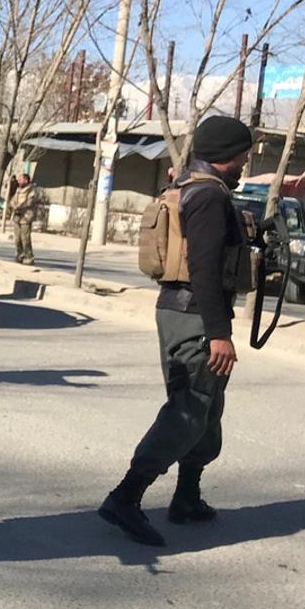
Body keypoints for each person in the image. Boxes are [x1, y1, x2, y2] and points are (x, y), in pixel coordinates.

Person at [98, 116, 256, 547]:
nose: (246, 162)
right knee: (189, 409)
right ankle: (125, 497)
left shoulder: (192, 187)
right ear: (226, 156)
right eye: (243, 154)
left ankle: (187, 496)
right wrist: (219, 333)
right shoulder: (207, 196)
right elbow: (204, 267)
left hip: (186, 312)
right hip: (195, 316)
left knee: (206, 408)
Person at [8, 173, 41, 265]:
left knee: (25, 238)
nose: (18, 181)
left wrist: (19, 206)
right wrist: (14, 205)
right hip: (17, 216)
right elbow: (12, 201)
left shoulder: (31, 190)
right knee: (17, 238)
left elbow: (29, 202)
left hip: (26, 217)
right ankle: (20, 254)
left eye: (20, 179)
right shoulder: (18, 190)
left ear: (26, 180)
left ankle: (29, 256)